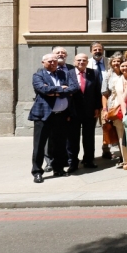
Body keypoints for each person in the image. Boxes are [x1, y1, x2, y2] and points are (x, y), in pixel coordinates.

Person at [29, 54, 77, 183]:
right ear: (43, 62)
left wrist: (54, 92)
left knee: (59, 144)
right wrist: (62, 89)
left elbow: (74, 87)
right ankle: (37, 172)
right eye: (50, 61)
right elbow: (43, 89)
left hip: (61, 115)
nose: (53, 63)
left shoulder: (64, 74)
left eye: (55, 61)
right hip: (43, 115)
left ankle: (58, 168)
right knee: (39, 145)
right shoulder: (38, 75)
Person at [66, 53, 102, 170]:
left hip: (89, 111)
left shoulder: (94, 73)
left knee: (89, 137)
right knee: (72, 138)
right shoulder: (68, 74)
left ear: (87, 62)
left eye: (84, 60)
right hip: (73, 112)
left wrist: (97, 107)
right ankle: (73, 162)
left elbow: (97, 92)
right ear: (74, 61)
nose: (81, 62)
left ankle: (89, 160)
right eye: (79, 60)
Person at [103, 55, 127, 170]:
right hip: (116, 108)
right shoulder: (109, 75)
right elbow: (105, 93)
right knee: (120, 135)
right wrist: (105, 109)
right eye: (114, 62)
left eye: (119, 62)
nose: (117, 64)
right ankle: (125, 159)